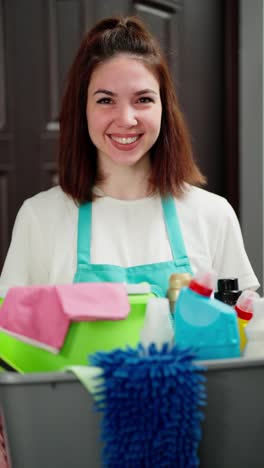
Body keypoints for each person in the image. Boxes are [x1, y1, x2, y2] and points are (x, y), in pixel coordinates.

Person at [0, 15, 259, 296]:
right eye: (106, 100)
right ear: (82, 109)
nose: (126, 119)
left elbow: (241, 332)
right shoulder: (40, 218)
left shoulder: (213, 215)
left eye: (143, 99)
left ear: (164, 108)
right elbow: (13, 334)